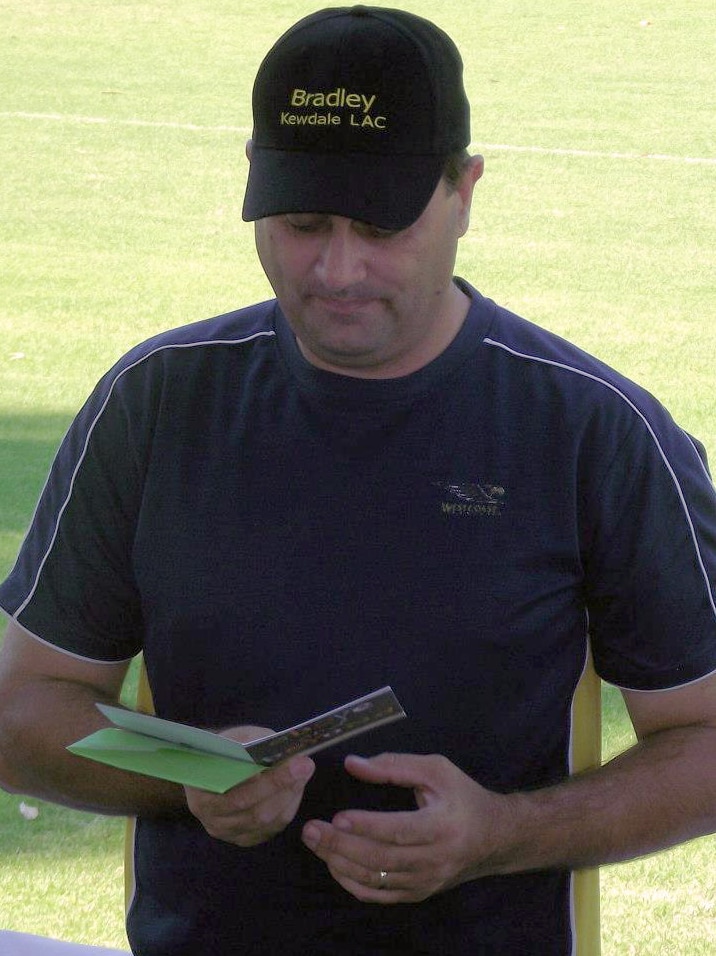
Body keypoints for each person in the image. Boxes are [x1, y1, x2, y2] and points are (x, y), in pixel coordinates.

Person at [1, 6, 715, 954]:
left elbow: (704, 738)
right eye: (302, 223)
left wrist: (503, 835)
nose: (339, 269)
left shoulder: (593, 430)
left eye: (382, 224)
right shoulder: (157, 403)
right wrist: (184, 768)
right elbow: (22, 705)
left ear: (464, 192)